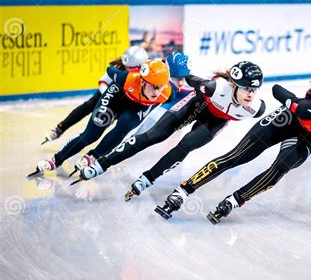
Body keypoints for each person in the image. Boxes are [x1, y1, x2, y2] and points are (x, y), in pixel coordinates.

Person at [154, 83, 311, 223]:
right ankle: (183, 190)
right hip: (286, 120)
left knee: (279, 170)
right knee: (235, 157)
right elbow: (277, 90)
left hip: (307, 136)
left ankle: (235, 200)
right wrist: (291, 102)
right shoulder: (307, 109)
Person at [75, 61, 266, 203]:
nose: (251, 94)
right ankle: (103, 163)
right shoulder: (215, 88)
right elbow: (191, 79)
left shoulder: (256, 108)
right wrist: (181, 71)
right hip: (196, 104)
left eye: (254, 90)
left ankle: (149, 177)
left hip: (215, 121)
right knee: (154, 135)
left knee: (187, 145)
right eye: (246, 88)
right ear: (233, 85)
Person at [29, 59, 174, 177]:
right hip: (116, 98)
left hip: (137, 108)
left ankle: (93, 156)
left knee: (124, 127)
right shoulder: (128, 78)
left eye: (160, 86)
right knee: (91, 134)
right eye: (154, 86)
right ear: (143, 81)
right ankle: (57, 159)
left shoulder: (167, 93)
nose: (157, 91)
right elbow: (110, 71)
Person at [41, 46, 149, 145]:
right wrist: (108, 96)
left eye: (131, 68)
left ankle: (81, 139)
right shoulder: (118, 66)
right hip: (111, 92)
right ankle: (60, 128)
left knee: (110, 119)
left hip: (129, 98)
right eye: (125, 67)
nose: (127, 70)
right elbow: (102, 82)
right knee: (90, 104)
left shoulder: (148, 71)